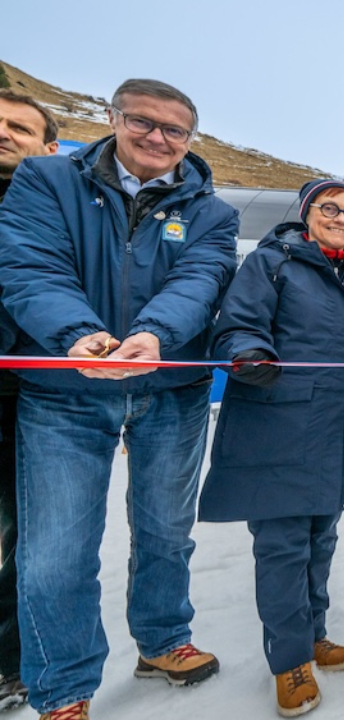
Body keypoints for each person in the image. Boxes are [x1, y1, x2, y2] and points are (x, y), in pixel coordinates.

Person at [0, 79, 236, 720]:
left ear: (190, 138)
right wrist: (77, 335)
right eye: (142, 121)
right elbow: (30, 266)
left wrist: (155, 335)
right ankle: (63, 688)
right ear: (113, 118)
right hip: (65, 392)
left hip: (171, 388)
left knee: (166, 532)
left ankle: (162, 640)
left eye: (174, 129)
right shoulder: (47, 181)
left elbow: (200, 280)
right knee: (56, 551)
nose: (157, 137)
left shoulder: (213, 212)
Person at [198, 180, 344, 717]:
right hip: (279, 422)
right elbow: (237, 326)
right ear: (307, 213)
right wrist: (250, 353)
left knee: (321, 538)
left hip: (341, 427)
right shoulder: (271, 264)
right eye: (331, 208)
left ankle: (313, 634)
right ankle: (290, 661)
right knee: (282, 544)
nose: (342, 218)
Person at [0, 89, 59, 713]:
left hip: (29, 392)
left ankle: (11, 661)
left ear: (49, 148)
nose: (3, 134)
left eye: (19, 127)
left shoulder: (54, 212)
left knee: (26, 537)